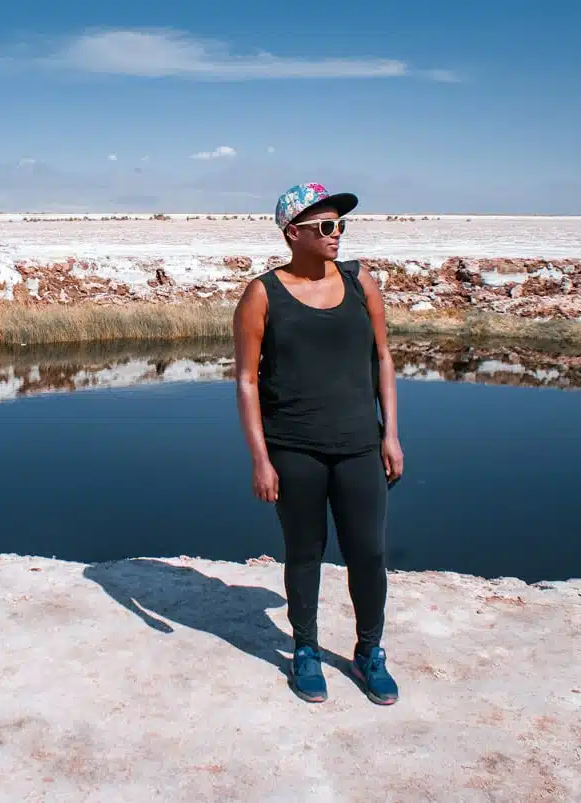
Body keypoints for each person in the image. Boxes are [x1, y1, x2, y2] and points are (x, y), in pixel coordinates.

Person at [232, 182, 404, 705]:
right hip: (294, 447)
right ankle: (305, 649)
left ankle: (368, 651)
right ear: (294, 233)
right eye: (326, 227)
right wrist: (260, 459)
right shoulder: (262, 294)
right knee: (304, 554)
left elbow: (384, 359)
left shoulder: (360, 282)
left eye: (340, 225)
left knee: (368, 555)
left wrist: (390, 433)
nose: (337, 235)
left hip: (359, 445)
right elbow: (245, 380)